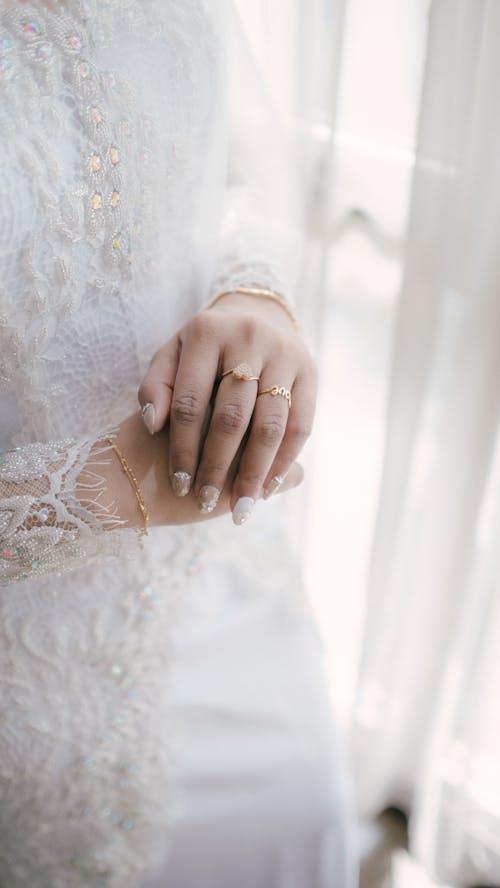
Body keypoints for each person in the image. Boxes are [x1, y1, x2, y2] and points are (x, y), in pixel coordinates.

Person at [0, 1, 357, 885]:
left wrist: (251, 296)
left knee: (307, 814)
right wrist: (95, 489)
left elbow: (228, 175)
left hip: (228, 582)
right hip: (30, 707)